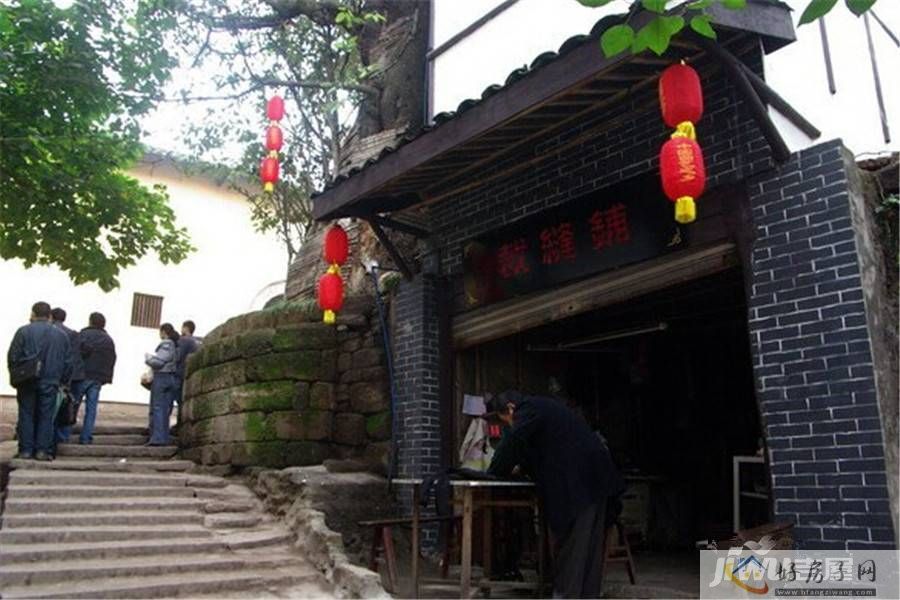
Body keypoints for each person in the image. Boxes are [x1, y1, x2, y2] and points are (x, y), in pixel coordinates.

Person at [487, 390, 624, 599]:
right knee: (589, 549)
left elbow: (513, 442)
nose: (509, 425)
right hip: (596, 478)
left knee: (573, 546)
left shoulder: (528, 410)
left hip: (579, 483)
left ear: (511, 409)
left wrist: (494, 472)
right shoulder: (544, 408)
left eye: (506, 421)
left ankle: (566, 595)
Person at [6, 301, 71, 460]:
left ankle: (26, 450)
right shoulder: (61, 336)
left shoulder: (23, 331)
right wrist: (63, 381)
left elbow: (13, 356)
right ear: (50, 316)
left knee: (26, 414)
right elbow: (68, 362)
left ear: (33, 314)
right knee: (46, 416)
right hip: (51, 380)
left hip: (27, 380)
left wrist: (17, 375)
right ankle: (42, 450)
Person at [75, 312, 117, 444]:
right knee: (91, 409)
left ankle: (64, 434)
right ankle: (86, 437)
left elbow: (75, 354)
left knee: (73, 405)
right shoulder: (108, 340)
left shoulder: (83, 335)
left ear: (90, 321)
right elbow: (112, 359)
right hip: (97, 378)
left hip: (82, 375)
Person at [51, 307, 85, 445]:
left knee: (51, 408)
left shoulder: (51, 332)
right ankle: (63, 437)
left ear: (51, 317)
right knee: (68, 407)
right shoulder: (73, 334)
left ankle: (50, 439)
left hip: (56, 377)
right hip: (75, 376)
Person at [145, 323, 180, 446]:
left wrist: (148, 358)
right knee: (165, 409)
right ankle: (164, 438)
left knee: (158, 408)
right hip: (170, 377)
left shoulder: (166, 344)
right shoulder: (175, 345)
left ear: (164, 332)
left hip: (162, 377)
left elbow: (159, 361)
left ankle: (157, 438)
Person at [173, 320, 202, 426]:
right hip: (188, 375)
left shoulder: (184, 340)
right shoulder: (195, 342)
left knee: (176, 399)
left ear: (186, 328)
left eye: (182, 327)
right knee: (183, 401)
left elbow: (177, 356)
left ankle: (178, 424)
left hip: (179, 373)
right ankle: (181, 423)